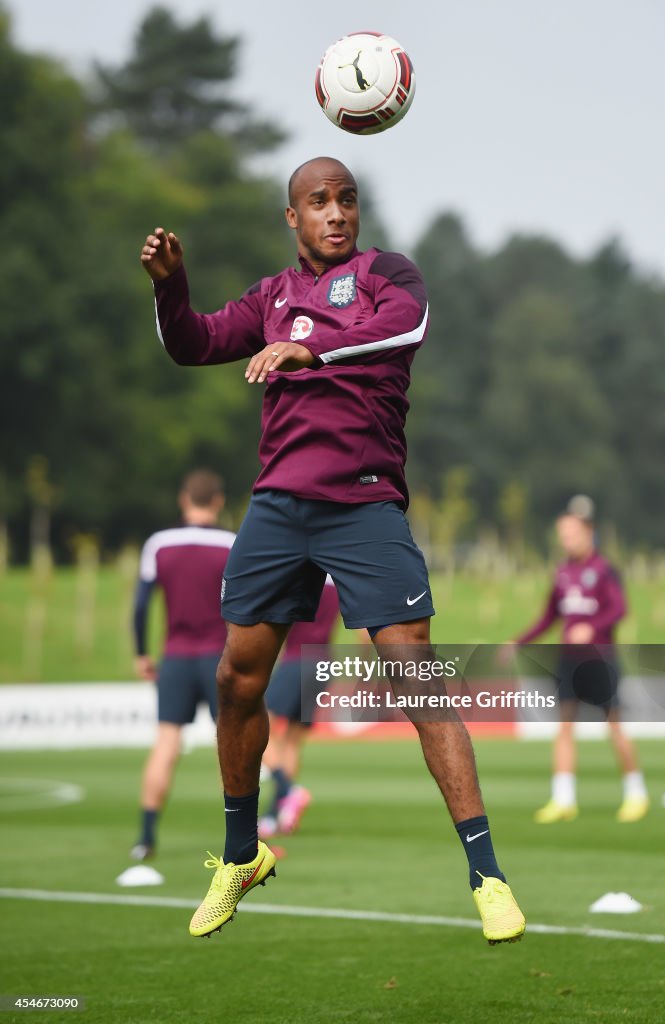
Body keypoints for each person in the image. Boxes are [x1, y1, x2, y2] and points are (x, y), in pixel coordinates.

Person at [140, 156, 525, 945]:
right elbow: (192, 344)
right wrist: (169, 287)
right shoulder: (271, 297)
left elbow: (403, 328)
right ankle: (242, 855)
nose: (335, 213)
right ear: (293, 217)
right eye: (318, 202)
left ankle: (487, 875)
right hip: (280, 507)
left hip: (364, 503)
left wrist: (310, 351)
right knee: (236, 679)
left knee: (418, 680)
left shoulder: (388, 275)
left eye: (346, 200)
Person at [509, 495, 649, 824]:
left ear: (588, 532)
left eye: (570, 533)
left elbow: (619, 608)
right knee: (564, 728)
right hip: (569, 662)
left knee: (614, 727)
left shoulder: (604, 570)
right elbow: (549, 616)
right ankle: (563, 799)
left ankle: (636, 793)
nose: (566, 540)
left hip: (600, 659)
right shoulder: (563, 572)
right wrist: (519, 641)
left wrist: (592, 627)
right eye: (562, 535)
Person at [131, 469, 235, 860]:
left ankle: (145, 838)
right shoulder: (231, 544)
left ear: (183, 499)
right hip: (218, 657)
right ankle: (245, 840)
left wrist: (142, 652)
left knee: (166, 745)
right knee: (231, 746)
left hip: (175, 657)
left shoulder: (159, 544)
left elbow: (141, 605)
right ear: (219, 500)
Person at [259, 576, 341, 838]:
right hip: (323, 663)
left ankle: (287, 790)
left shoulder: (296, 575)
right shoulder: (337, 581)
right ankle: (277, 815)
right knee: (292, 740)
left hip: (296, 660)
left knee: (257, 729)